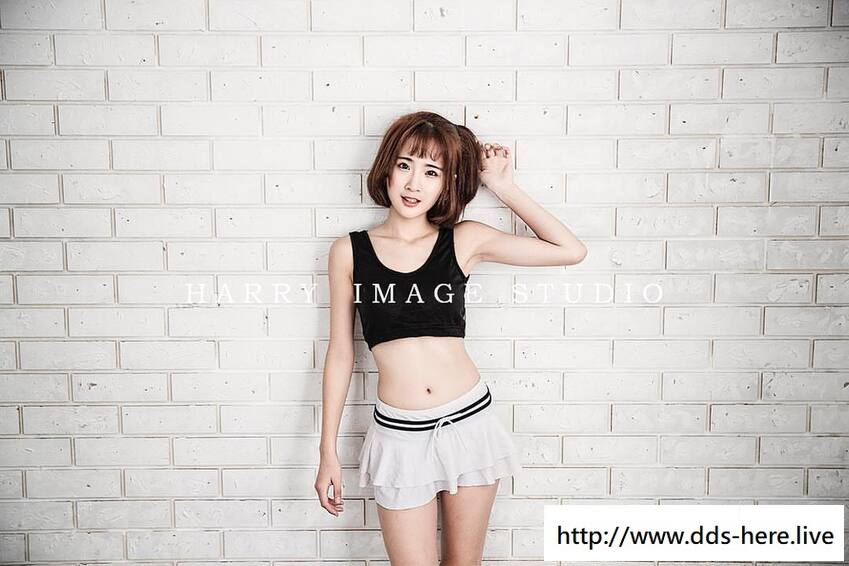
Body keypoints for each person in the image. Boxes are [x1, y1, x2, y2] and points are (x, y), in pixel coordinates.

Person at [315, 111, 587, 565]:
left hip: (468, 424)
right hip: (399, 436)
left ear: (447, 183)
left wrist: (501, 186)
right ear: (386, 168)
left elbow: (570, 250)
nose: (413, 183)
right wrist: (327, 451)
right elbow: (341, 353)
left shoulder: (463, 240)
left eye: (431, 172)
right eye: (405, 165)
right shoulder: (349, 251)